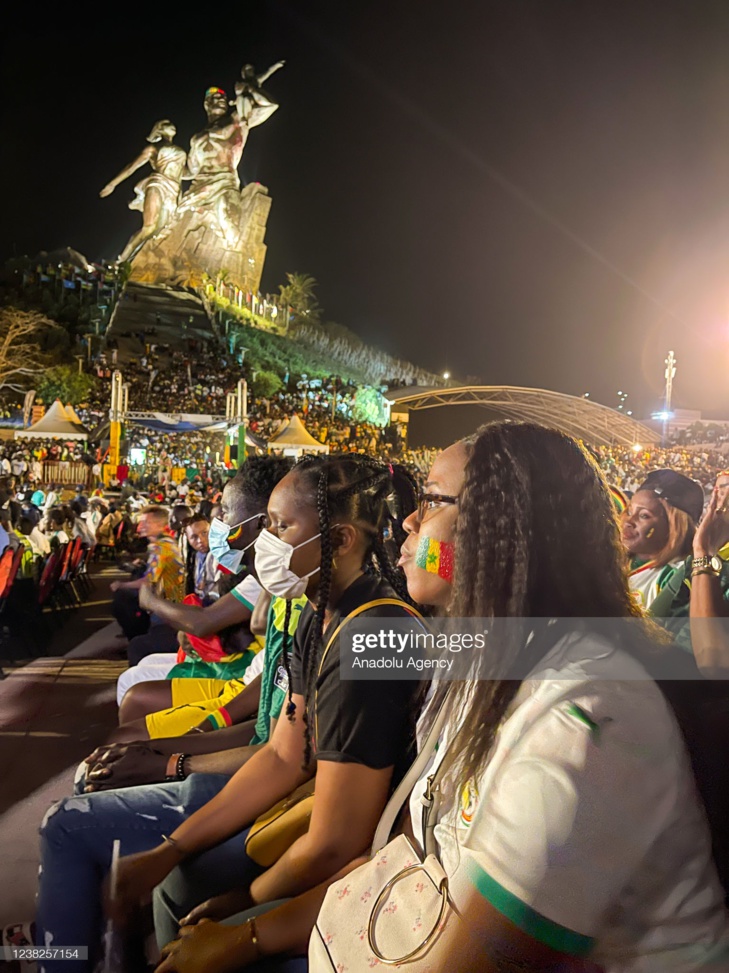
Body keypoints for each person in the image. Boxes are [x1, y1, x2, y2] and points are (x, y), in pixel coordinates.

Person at [157, 424, 729, 973]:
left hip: (412, 937)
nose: (408, 520)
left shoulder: (584, 718)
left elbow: (479, 949)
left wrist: (249, 927)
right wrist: (251, 934)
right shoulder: (474, 664)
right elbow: (411, 851)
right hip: (387, 923)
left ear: (498, 530)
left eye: (431, 501)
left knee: (174, 889)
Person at [102, 455, 420, 955]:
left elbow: (337, 840)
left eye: (280, 527)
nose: (262, 544)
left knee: (181, 896)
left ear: (338, 541)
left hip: (364, 875)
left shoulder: (371, 635)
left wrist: (241, 903)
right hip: (312, 826)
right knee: (177, 877)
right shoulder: (319, 615)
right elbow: (280, 755)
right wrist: (173, 847)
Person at [99, 119, 187, 262]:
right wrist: (112, 184)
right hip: (158, 184)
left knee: (166, 230)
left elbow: (185, 173)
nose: (170, 124)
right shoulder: (153, 148)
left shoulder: (180, 151)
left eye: (171, 123)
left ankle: (147, 262)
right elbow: (131, 167)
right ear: (158, 130)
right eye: (165, 123)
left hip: (175, 190)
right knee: (149, 227)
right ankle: (122, 261)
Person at [622, 468, 703, 609]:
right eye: (630, 511)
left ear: (674, 527)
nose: (629, 521)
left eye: (644, 515)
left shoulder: (677, 577)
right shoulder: (609, 554)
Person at [111, 506, 184, 656]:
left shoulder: (163, 546)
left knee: (122, 598)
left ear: (159, 525)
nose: (140, 527)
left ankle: (138, 641)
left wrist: (121, 584)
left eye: (145, 522)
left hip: (166, 605)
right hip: (163, 599)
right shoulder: (162, 543)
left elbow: (147, 581)